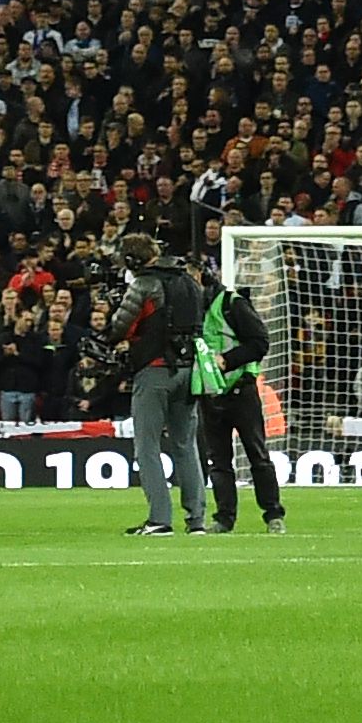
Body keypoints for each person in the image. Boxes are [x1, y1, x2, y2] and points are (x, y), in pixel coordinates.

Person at [103, 231, 205, 538]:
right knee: (186, 445)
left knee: (146, 446)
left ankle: (160, 518)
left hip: (155, 371)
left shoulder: (145, 284)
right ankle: (197, 519)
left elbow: (119, 327)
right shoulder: (188, 281)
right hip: (188, 370)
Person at [183, 235, 282, 538]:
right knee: (218, 461)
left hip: (240, 389)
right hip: (209, 394)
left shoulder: (231, 303)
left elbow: (260, 342)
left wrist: (228, 360)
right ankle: (224, 518)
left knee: (257, 454)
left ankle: (273, 515)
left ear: (199, 275)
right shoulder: (188, 311)